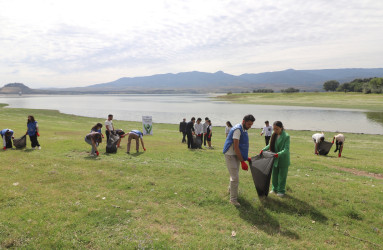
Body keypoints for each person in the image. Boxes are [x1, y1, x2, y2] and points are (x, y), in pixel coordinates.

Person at [223, 114, 255, 206]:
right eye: (249, 124)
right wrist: (242, 161)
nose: (250, 126)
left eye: (251, 125)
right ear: (243, 121)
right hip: (230, 155)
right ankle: (233, 200)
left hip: (235, 155)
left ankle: (230, 190)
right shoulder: (237, 130)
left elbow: (242, 146)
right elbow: (236, 147)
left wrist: (245, 157)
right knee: (235, 177)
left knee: (234, 174)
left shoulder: (244, 129)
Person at [261, 121, 290, 197]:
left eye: (277, 129)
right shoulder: (274, 135)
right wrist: (263, 150)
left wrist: (278, 154)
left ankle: (281, 191)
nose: (275, 131)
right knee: (274, 175)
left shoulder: (286, 136)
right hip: (274, 158)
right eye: (274, 129)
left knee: (282, 176)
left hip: (283, 159)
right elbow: (270, 145)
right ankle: (274, 189)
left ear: (281, 128)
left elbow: (286, 149)